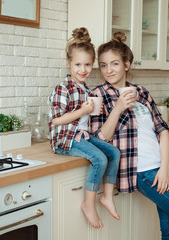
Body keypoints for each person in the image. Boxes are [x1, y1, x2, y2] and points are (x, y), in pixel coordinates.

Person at [91, 32, 169, 239]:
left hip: (164, 167)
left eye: (115, 64)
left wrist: (164, 168)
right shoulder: (98, 95)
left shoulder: (141, 92)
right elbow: (99, 139)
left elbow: (163, 130)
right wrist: (117, 108)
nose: (109, 70)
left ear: (126, 64)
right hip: (143, 171)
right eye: (104, 65)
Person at [48, 27, 121, 229]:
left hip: (81, 136)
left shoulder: (85, 88)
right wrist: (82, 111)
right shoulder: (63, 88)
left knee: (113, 152)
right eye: (78, 64)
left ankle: (106, 196)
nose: (83, 69)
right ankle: (88, 204)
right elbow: (56, 121)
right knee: (99, 159)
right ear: (69, 63)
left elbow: (84, 118)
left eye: (87, 64)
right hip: (65, 139)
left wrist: (95, 109)